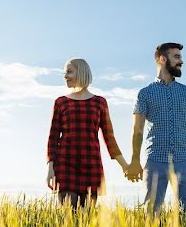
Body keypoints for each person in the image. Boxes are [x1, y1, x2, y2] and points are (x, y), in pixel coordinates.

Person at [125, 42, 186, 216]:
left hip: (184, 160)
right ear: (162, 59)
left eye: (180, 57)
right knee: (151, 213)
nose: (181, 61)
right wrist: (134, 160)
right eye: (176, 57)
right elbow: (137, 129)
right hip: (155, 160)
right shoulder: (144, 93)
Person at [46, 58, 129, 208]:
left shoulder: (100, 103)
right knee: (68, 219)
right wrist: (50, 168)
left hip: (91, 164)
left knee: (87, 221)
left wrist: (124, 165)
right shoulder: (61, 102)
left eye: (70, 71)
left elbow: (109, 137)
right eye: (65, 72)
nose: (65, 76)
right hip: (65, 165)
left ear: (82, 73)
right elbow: (53, 137)